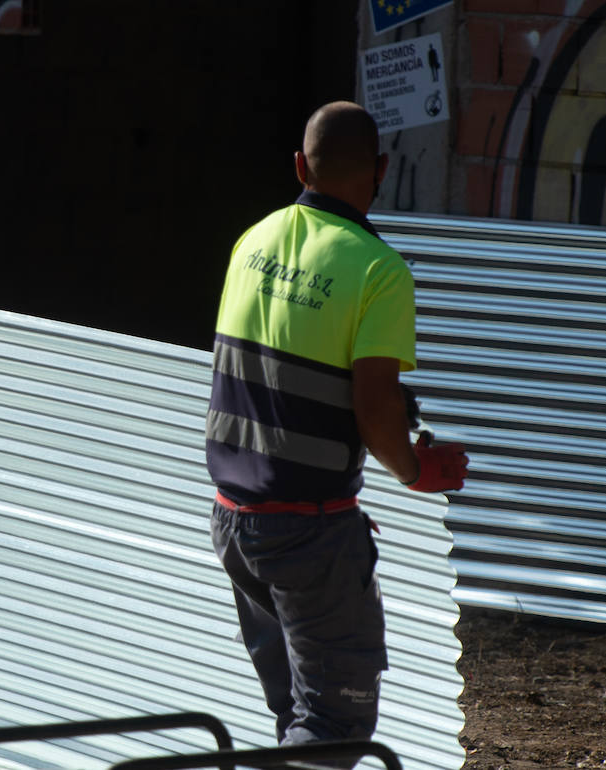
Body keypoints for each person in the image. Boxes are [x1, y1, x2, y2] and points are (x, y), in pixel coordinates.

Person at [205, 101, 468, 755]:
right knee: (332, 730)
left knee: (296, 716)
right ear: (381, 170)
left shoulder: (253, 241)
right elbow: (374, 410)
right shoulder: (379, 271)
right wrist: (413, 468)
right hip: (309, 535)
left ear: (299, 165)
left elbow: (286, 362)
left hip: (235, 522)